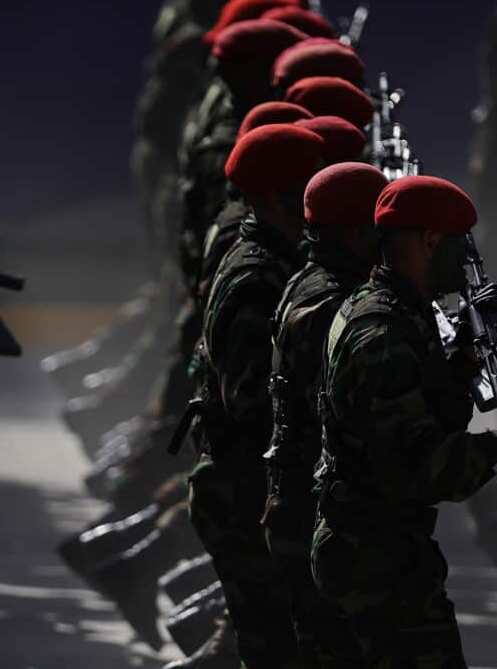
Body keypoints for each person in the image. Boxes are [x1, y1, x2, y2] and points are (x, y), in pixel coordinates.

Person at [313, 175, 497, 667]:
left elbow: (429, 412)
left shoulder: (391, 311)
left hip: (377, 548)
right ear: (429, 241)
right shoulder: (382, 335)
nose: (468, 260)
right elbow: (427, 468)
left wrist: (462, 361)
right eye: (460, 243)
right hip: (374, 563)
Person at [187, 123, 327, 667]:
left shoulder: (276, 259)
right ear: (273, 198)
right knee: (275, 647)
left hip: (250, 487)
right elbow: (250, 402)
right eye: (302, 195)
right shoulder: (258, 276)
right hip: (243, 492)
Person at [265, 162, 385, 667]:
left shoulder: (312, 280)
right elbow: (354, 414)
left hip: (304, 499)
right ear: (358, 232)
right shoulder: (331, 303)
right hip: (317, 509)